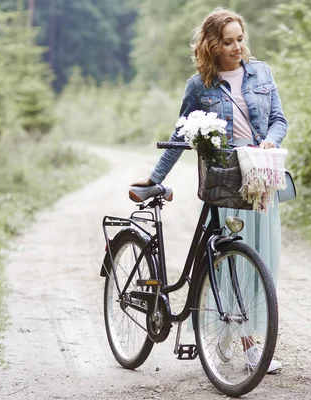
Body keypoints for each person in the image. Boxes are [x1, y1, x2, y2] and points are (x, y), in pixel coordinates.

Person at [131, 7, 288, 373]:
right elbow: (180, 135)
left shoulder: (262, 72)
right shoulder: (198, 86)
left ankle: (241, 335)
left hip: (261, 180)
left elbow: (279, 119)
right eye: (228, 42)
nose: (237, 48)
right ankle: (244, 343)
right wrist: (155, 178)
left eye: (239, 39)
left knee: (262, 262)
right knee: (230, 261)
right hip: (224, 182)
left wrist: (269, 141)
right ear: (212, 45)